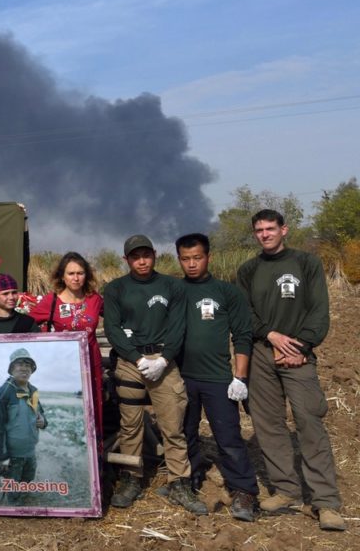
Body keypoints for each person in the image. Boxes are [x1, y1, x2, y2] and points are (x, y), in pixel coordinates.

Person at [236, 209, 345, 531]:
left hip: (298, 356)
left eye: (271, 228)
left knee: (309, 422)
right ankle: (287, 490)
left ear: (284, 230)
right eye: (259, 230)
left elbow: (319, 310)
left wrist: (300, 346)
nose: (265, 234)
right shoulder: (248, 269)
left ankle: (325, 502)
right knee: (268, 424)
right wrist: (270, 335)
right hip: (262, 353)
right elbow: (245, 313)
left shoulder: (306, 264)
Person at [103, 235, 205, 515]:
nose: (142, 260)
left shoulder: (172, 286)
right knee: (130, 426)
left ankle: (179, 483)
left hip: (164, 362)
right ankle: (131, 479)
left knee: (173, 426)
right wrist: (135, 357)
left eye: (146, 254)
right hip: (129, 363)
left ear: (155, 255)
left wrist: (163, 359)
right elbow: (112, 329)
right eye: (135, 256)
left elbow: (178, 327)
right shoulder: (115, 289)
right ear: (126, 260)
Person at [174, 233, 259, 522]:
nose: (192, 264)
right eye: (186, 259)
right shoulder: (174, 290)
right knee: (185, 433)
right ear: (179, 260)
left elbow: (243, 335)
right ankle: (189, 479)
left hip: (218, 378)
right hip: (182, 377)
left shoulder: (227, 292)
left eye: (197, 257)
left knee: (228, 436)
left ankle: (244, 490)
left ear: (208, 256)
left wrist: (240, 377)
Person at [29, 252, 104, 432]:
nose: (76, 278)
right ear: (62, 276)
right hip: (63, 366)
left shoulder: (95, 299)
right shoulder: (52, 301)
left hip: (91, 363)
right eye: (71, 273)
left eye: (80, 273)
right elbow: (26, 324)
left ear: (87, 275)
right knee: (68, 408)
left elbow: (117, 319)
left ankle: (95, 456)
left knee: (94, 409)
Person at [0, 349, 47, 502]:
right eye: (19, 364)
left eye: (28, 365)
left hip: (30, 452)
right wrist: (2, 457)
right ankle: (12, 516)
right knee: (13, 492)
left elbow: (41, 414)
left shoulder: (33, 391)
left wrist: (43, 421)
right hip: (13, 455)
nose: (24, 368)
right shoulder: (4, 392)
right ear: (11, 369)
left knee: (27, 481)